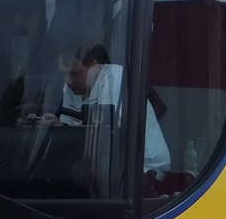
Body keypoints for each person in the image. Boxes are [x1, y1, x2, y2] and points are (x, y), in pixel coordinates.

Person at [40, 44, 171, 177]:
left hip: (142, 171)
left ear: (94, 66)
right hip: (99, 166)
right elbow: (69, 134)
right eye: (63, 74)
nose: (68, 81)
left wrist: (66, 131)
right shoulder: (71, 87)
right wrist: (58, 127)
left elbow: (110, 140)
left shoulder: (115, 79)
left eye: (75, 73)